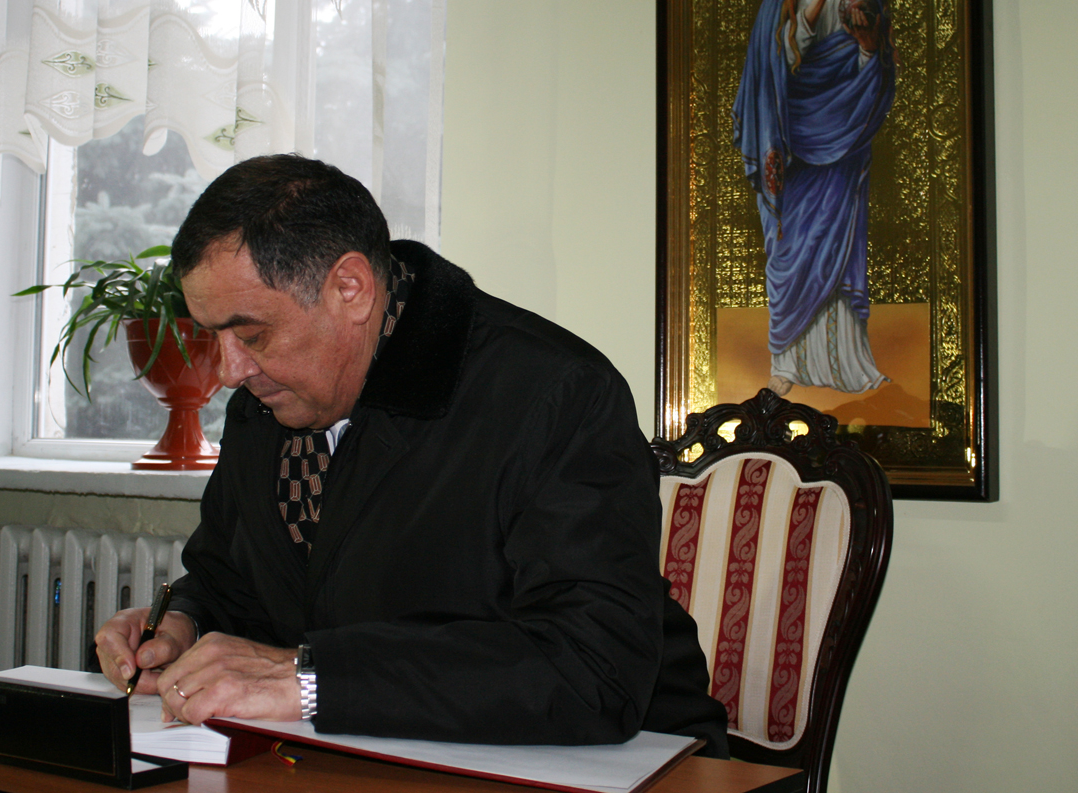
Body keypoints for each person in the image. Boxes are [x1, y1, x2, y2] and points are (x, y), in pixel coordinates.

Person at [94, 154, 728, 753]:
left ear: (350, 288)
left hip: (637, 764)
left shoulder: (555, 396)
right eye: (214, 337)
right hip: (365, 757)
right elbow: (232, 581)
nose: (229, 372)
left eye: (253, 334)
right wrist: (183, 623)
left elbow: (593, 669)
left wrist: (312, 679)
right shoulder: (265, 406)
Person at [732, 0, 896, 395]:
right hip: (792, 143)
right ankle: (787, 364)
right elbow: (773, 70)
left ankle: (845, 363)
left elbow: (876, 67)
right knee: (790, 250)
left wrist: (866, 43)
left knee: (834, 247)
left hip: (843, 141)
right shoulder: (779, 2)